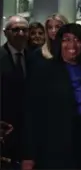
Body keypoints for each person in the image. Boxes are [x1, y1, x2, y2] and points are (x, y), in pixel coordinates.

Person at [21, 24, 81, 169]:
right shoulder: (44, 70)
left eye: (77, 40)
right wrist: (28, 155)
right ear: (59, 42)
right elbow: (31, 114)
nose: (72, 45)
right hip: (54, 147)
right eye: (66, 39)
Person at [0, 15, 30, 168]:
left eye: (24, 30)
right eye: (15, 30)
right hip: (5, 129)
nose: (20, 34)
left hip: (28, 130)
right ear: (5, 33)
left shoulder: (33, 57)